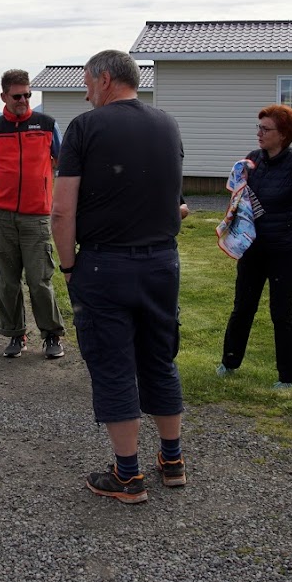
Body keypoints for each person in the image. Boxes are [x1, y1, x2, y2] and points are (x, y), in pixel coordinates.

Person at [51, 50, 186, 504]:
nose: (86, 91)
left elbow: (61, 210)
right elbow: (173, 198)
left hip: (105, 265)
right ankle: (172, 461)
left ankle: (127, 476)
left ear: (105, 79)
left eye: (88, 82)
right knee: (159, 358)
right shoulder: (167, 123)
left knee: (112, 366)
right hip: (162, 263)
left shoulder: (84, 128)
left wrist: (68, 266)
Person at [216, 104, 292, 389]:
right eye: (258, 127)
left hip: (286, 248)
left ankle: (287, 378)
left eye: (265, 129)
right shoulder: (253, 160)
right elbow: (238, 196)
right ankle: (229, 363)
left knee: (281, 311)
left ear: (282, 135)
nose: (259, 133)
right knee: (243, 306)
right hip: (253, 246)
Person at [0, 69, 67, 359]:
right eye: (17, 96)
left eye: (27, 95)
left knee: (39, 280)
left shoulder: (47, 125)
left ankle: (51, 335)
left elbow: (64, 164)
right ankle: (15, 335)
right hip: (0, 216)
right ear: (4, 96)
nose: (24, 100)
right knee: (6, 280)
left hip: (36, 217)